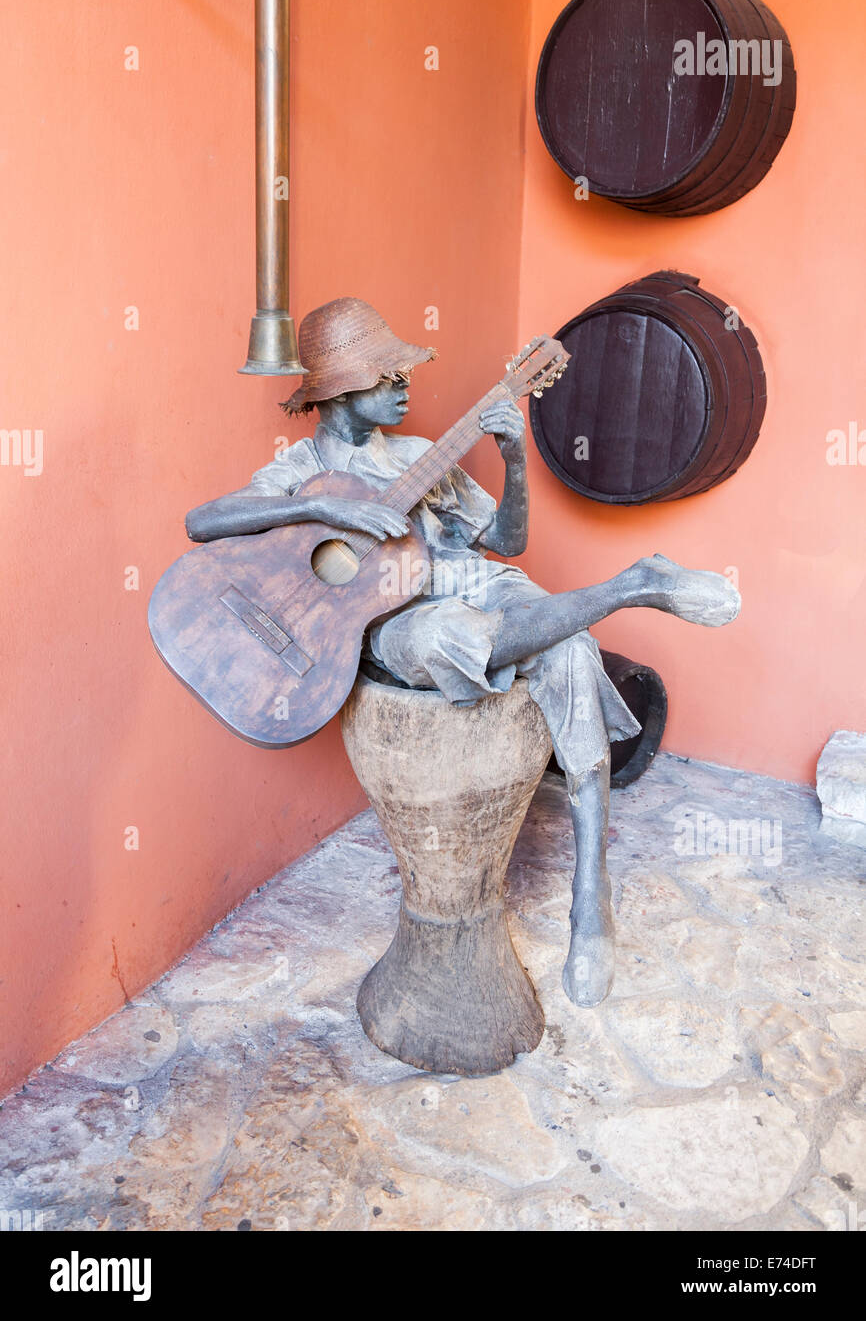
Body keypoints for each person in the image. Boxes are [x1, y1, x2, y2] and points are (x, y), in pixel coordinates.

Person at [186, 298, 740, 1007]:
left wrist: (514, 458)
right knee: (454, 636)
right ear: (340, 391)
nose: (405, 387)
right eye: (388, 376)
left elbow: (508, 544)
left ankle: (589, 897)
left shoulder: (424, 456)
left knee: (570, 649)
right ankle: (629, 584)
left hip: (478, 583)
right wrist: (322, 508)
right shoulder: (301, 470)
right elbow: (205, 521)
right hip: (399, 618)